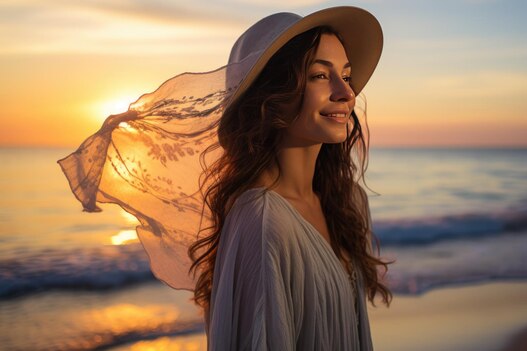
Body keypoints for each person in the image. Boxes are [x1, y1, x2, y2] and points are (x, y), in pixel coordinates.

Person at [58, 5, 391, 350]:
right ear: (272, 96)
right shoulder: (263, 220)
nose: (346, 92)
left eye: (346, 75)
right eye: (320, 75)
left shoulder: (347, 202)